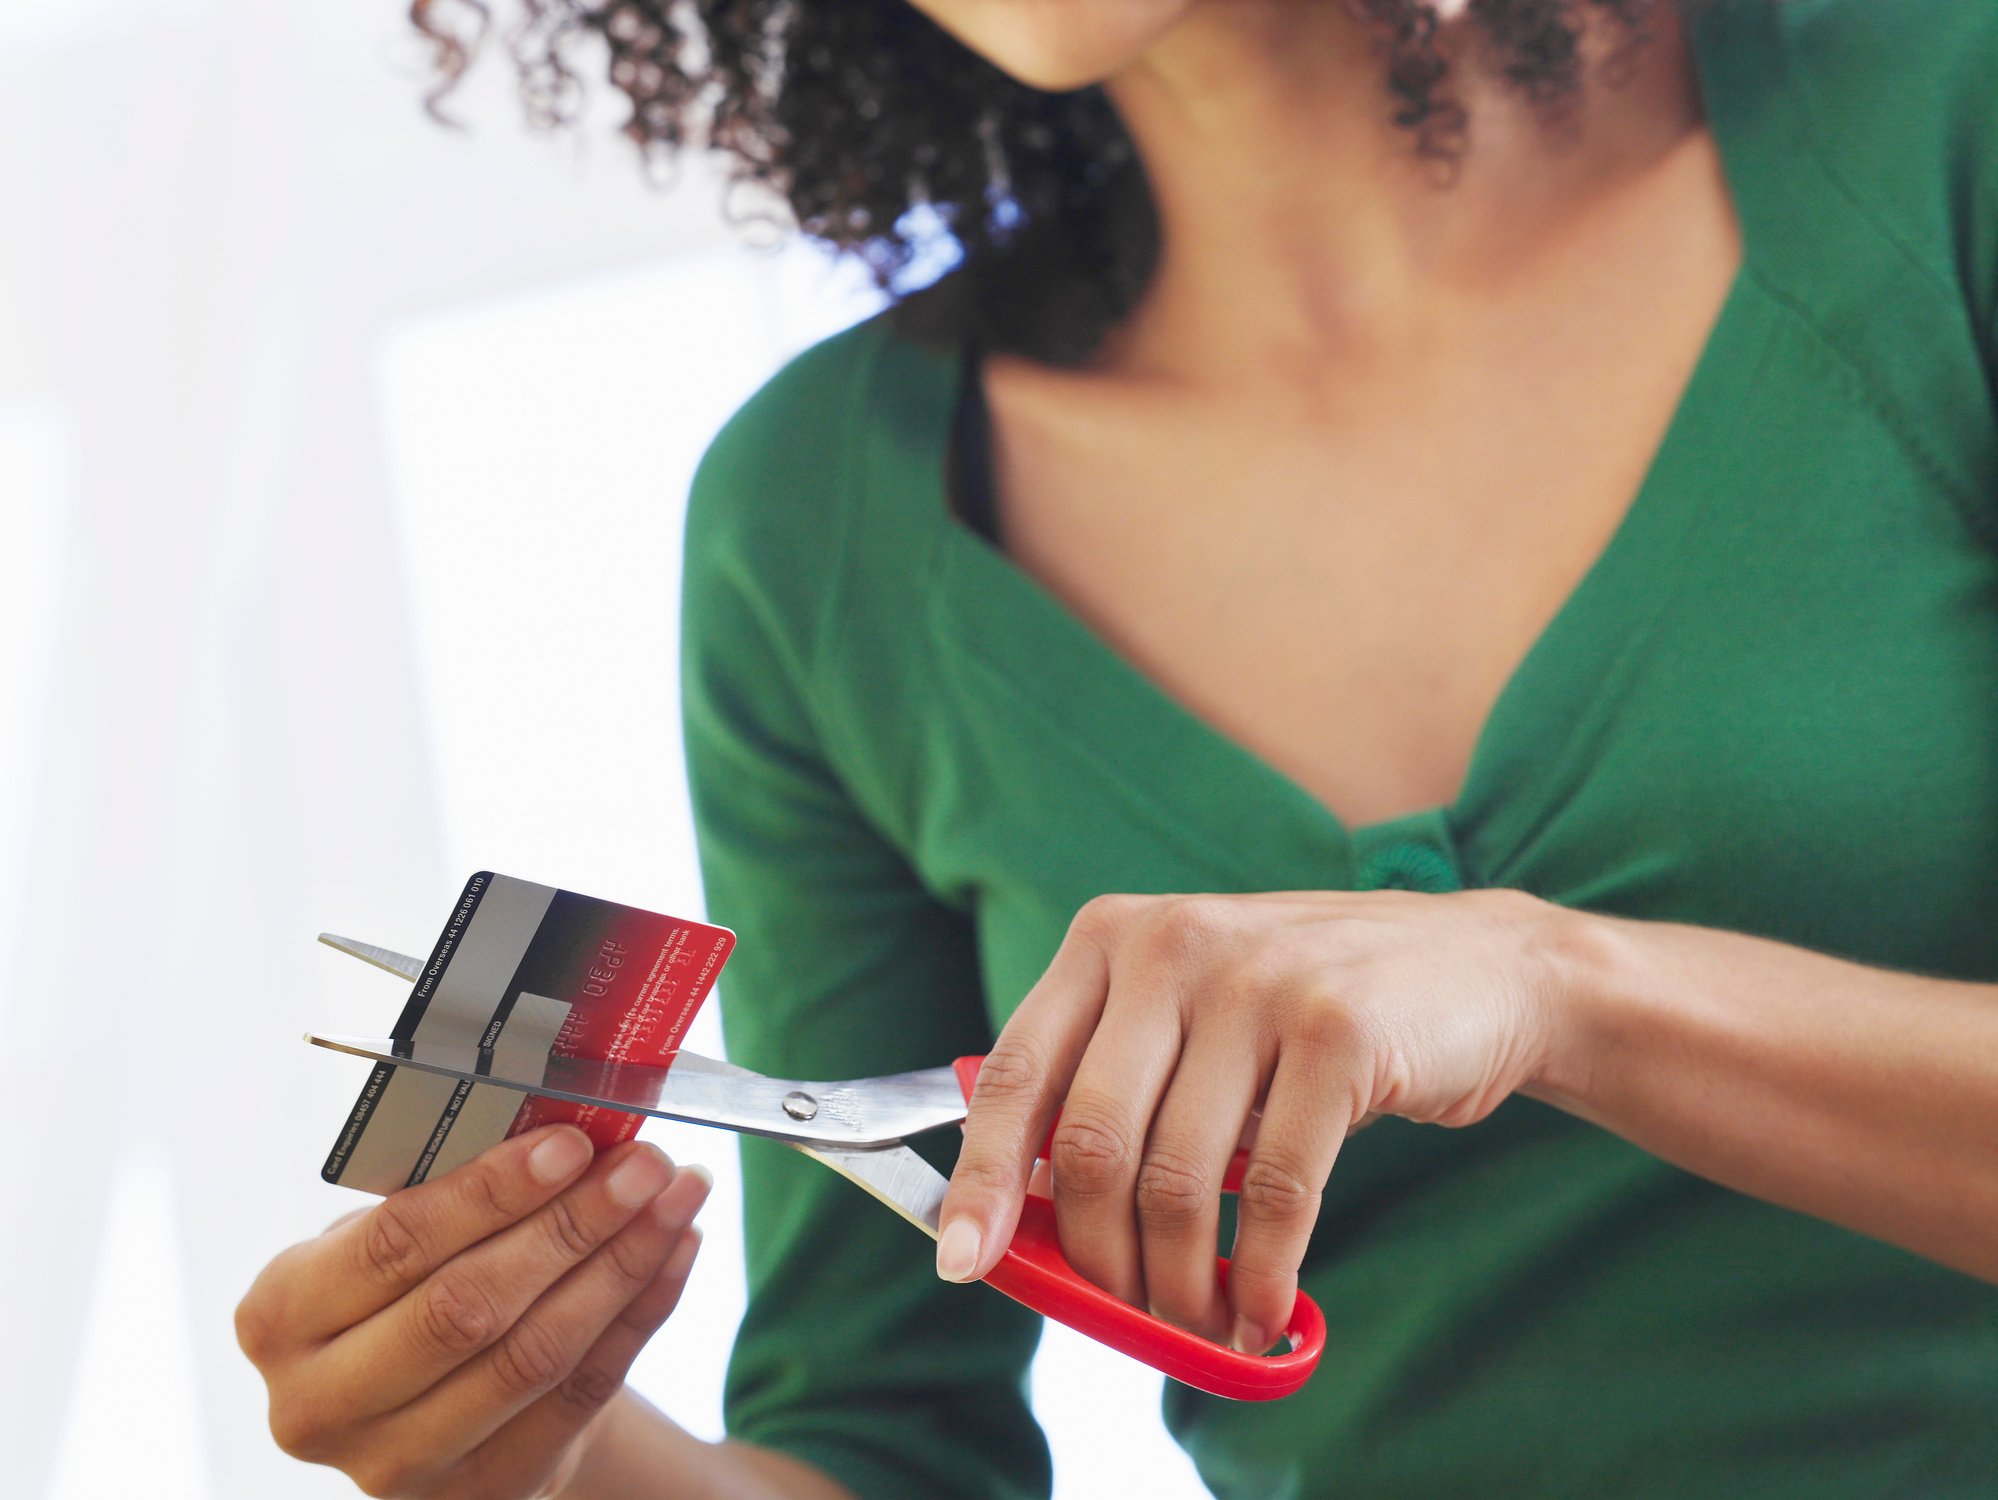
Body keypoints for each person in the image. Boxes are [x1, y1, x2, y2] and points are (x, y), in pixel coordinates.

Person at [236, 1, 1998, 1496]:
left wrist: (1556, 990)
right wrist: (549, 1448)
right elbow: (873, 1444)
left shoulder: (1937, 126)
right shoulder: (823, 519)